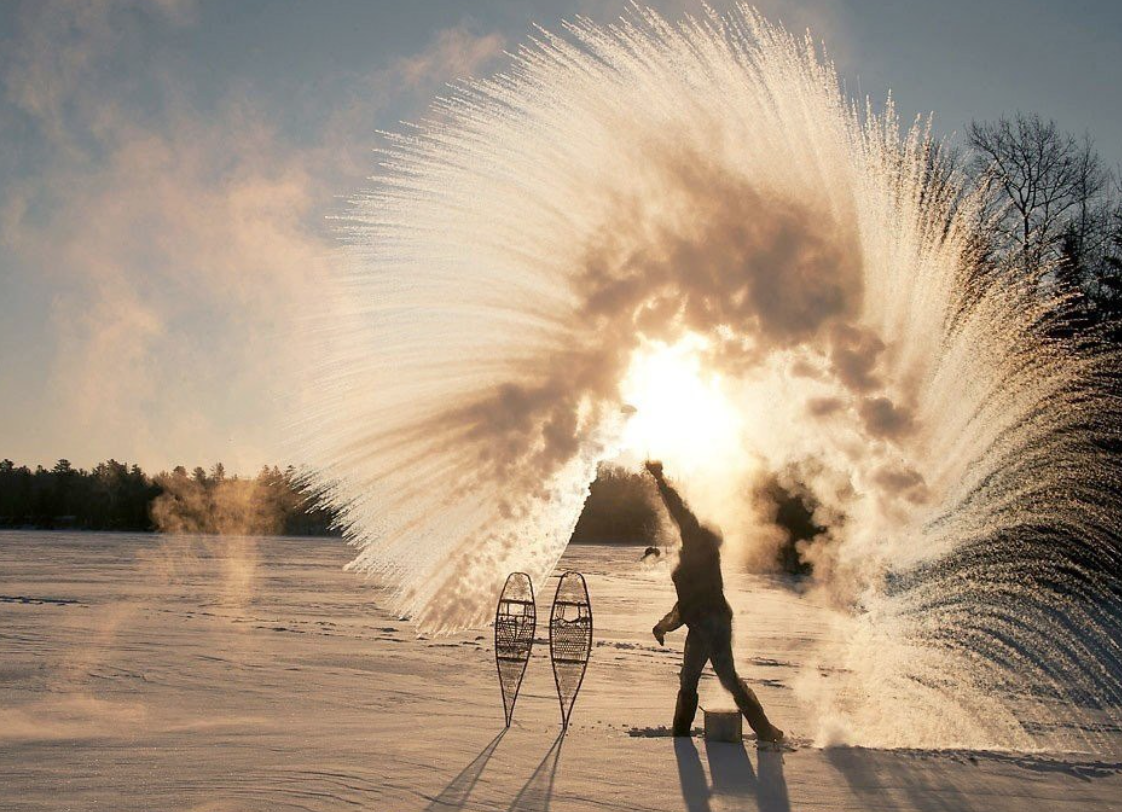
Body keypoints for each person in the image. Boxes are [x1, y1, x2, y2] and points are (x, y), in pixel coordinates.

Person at [646, 460, 784, 743]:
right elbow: (684, 604)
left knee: (727, 679)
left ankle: (767, 733)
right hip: (700, 625)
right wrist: (663, 626)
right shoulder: (691, 559)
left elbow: (679, 509)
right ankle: (681, 735)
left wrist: (659, 478)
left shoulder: (699, 545)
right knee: (691, 680)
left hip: (715, 623)